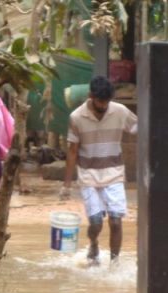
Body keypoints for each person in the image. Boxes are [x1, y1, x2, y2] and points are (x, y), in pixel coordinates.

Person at [63, 76, 137, 265]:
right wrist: (67, 185)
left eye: (107, 101)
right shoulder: (76, 117)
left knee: (115, 220)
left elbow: (141, 127)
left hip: (114, 172)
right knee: (95, 222)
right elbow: (72, 151)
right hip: (88, 174)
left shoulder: (120, 111)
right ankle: (93, 243)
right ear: (91, 96)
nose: (103, 105)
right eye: (100, 101)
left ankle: (114, 262)